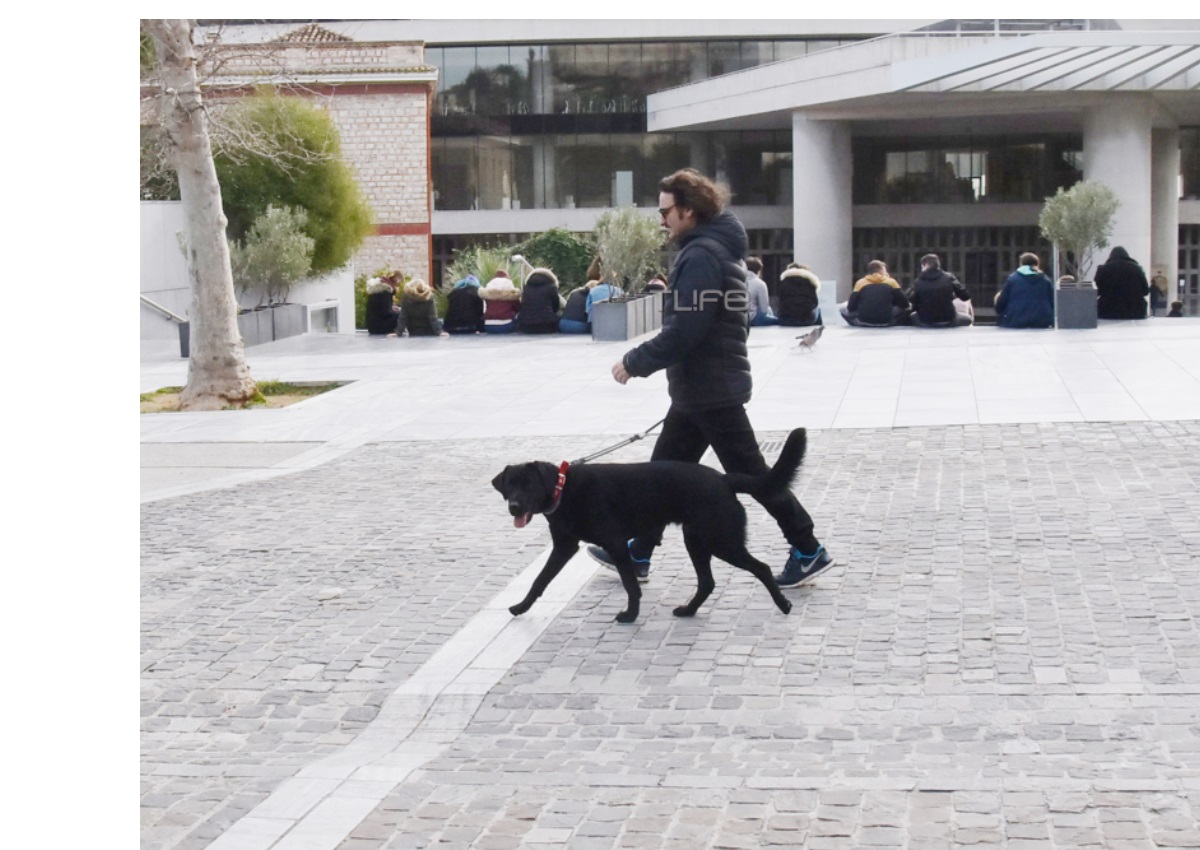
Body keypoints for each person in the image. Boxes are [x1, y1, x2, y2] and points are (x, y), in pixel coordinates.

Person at [589, 167, 834, 589]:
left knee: (757, 478)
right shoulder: (721, 250)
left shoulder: (702, 256)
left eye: (666, 211)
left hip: (710, 391)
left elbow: (686, 327)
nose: (661, 220)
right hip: (701, 389)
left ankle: (807, 548)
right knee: (662, 477)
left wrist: (636, 360)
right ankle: (639, 552)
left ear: (689, 210)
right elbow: (737, 319)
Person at [840, 260, 909, 327]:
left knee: (842, 308)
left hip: (863, 320)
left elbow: (850, 307)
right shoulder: (891, 282)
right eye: (885, 270)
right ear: (881, 271)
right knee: (905, 308)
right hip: (887, 320)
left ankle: (858, 323)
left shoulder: (860, 283)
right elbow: (904, 303)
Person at [909, 253, 972, 327]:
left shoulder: (918, 282)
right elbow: (965, 296)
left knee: (912, 316)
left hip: (926, 320)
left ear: (925, 265)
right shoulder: (949, 277)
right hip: (948, 319)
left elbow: (912, 301)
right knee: (968, 319)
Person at [995, 252, 1055, 329]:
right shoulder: (1045, 280)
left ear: (1021, 264)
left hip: (1016, 320)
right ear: (1037, 264)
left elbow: (1002, 301)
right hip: (1042, 321)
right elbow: (1053, 301)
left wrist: (1001, 314)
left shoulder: (1013, 279)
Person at [1095, 246, 1150, 319]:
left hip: (1107, 312)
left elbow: (1096, 291)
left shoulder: (1103, 269)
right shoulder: (1137, 269)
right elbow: (1145, 291)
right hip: (1135, 312)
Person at [518, 267, 563, 334]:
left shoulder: (526, 288)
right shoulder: (552, 288)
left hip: (526, 326)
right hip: (547, 325)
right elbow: (556, 306)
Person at [745, 256, 779, 327]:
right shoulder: (760, 284)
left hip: (738, 317)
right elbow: (764, 310)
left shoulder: (737, 280)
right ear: (759, 271)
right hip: (752, 318)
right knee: (775, 317)